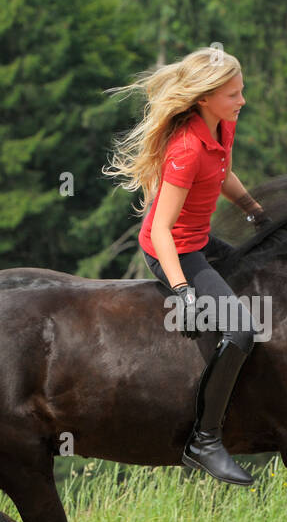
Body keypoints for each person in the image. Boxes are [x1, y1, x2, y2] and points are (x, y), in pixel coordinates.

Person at [103, 47, 268, 486]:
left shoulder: (222, 126)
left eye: (241, 91)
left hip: (198, 241)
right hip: (173, 250)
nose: (242, 101)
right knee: (240, 330)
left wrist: (256, 212)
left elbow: (223, 175)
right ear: (204, 98)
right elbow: (160, 231)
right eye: (233, 94)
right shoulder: (186, 150)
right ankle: (205, 441)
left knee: (264, 271)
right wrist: (184, 292)